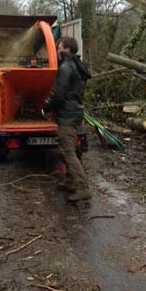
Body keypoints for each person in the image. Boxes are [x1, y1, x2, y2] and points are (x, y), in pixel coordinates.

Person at [42, 36, 92, 202]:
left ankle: (83, 188)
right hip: (75, 113)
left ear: (67, 49)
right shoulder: (78, 65)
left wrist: (46, 107)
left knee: (69, 152)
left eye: (59, 47)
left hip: (67, 116)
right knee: (65, 150)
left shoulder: (66, 67)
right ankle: (71, 182)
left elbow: (59, 94)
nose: (57, 50)